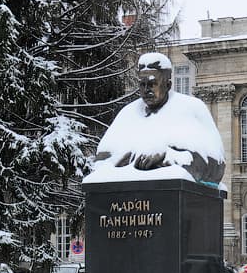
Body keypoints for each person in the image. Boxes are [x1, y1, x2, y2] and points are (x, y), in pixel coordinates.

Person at [89, 52, 225, 185]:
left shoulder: (192, 109)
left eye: (152, 84)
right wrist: (124, 160)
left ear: (168, 85)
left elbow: (216, 165)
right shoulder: (127, 113)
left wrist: (168, 157)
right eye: (142, 84)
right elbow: (100, 163)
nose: (147, 90)